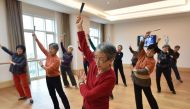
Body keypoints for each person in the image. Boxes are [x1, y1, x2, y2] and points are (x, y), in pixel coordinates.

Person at [76, 16, 116, 109]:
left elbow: (88, 95)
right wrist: (79, 28)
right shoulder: (94, 62)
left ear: (111, 60)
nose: (97, 62)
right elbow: (85, 48)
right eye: (96, 57)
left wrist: (81, 83)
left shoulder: (110, 78)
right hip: (86, 105)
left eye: (101, 59)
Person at [32, 33, 70, 109]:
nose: (50, 50)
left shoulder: (57, 60)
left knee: (61, 94)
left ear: (56, 50)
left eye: (52, 48)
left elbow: (49, 69)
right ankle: (56, 107)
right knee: (52, 94)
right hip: (48, 78)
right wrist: (36, 39)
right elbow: (42, 47)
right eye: (49, 48)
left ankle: (67, 107)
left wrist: (42, 65)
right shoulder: (48, 54)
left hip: (55, 78)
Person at [131, 31, 159, 109]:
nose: (149, 52)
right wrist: (144, 38)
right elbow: (140, 47)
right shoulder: (142, 54)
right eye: (148, 50)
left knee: (150, 97)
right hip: (136, 80)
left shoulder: (152, 61)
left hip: (144, 82)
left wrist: (135, 70)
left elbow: (145, 71)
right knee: (138, 98)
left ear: (154, 53)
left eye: (152, 51)